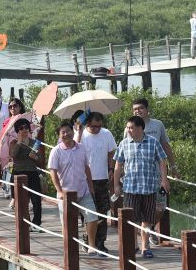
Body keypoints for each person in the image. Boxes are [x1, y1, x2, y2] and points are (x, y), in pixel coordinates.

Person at [112, 115, 169, 258]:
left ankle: (145, 246)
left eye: (131, 127)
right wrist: (116, 184)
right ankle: (134, 245)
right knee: (131, 219)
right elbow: (118, 165)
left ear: (140, 128)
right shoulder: (124, 144)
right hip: (131, 188)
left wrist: (164, 179)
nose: (129, 130)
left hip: (149, 187)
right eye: (128, 127)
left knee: (147, 219)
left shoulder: (153, 142)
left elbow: (162, 160)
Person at [123, 98, 178, 244]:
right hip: (135, 179)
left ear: (147, 109)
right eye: (135, 109)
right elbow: (125, 152)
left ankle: (150, 227)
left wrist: (173, 167)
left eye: (140, 108)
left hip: (157, 176)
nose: (137, 111)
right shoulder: (128, 129)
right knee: (135, 211)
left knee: (160, 207)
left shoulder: (157, 124)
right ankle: (144, 236)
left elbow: (165, 146)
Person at [48, 121, 101, 255]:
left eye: (68, 131)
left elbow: (86, 168)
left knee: (92, 217)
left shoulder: (81, 147)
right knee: (67, 224)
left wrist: (91, 187)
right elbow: (53, 172)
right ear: (59, 135)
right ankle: (70, 249)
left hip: (83, 191)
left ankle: (92, 245)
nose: (66, 134)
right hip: (66, 194)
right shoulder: (56, 151)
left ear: (73, 131)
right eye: (62, 132)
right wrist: (59, 191)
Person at [76, 111, 117, 254]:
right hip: (85, 180)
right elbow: (74, 149)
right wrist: (78, 131)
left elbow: (112, 152)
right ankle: (88, 239)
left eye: (99, 126)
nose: (97, 129)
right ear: (88, 123)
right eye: (94, 126)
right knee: (88, 213)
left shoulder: (106, 134)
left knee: (103, 211)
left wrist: (111, 168)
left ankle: (100, 242)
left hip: (102, 178)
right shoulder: (81, 135)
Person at [9, 118, 43, 230]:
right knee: (22, 201)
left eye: (26, 127)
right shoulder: (13, 143)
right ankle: (25, 222)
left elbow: (41, 160)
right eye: (21, 128)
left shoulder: (34, 143)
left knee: (36, 199)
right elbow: (13, 155)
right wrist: (19, 143)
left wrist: (36, 157)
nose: (24, 130)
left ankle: (36, 224)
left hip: (32, 173)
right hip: (18, 174)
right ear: (17, 130)